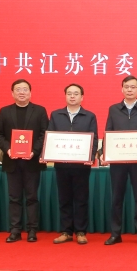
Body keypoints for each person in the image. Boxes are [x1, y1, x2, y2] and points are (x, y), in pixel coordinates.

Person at [0, 79, 49, 243]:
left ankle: (32, 230)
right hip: (12, 161)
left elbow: (45, 133)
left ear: (30, 93)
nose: (21, 92)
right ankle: (15, 230)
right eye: (18, 89)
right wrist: (8, 149)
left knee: (32, 197)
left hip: (32, 161)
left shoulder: (40, 111)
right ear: (12, 93)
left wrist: (34, 151)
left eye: (25, 89)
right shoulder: (5, 111)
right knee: (14, 198)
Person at [103, 75, 137, 246]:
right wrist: (104, 153)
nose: (129, 90)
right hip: (118, 162)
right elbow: (108, 133)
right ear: (122, 89)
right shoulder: (113, 109)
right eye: (126, 87)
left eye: (133, 87)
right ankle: (115, 233)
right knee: (116, 199)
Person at [47, 84, 98, 245]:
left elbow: (94, 139)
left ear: (82, 97)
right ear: (65, 96)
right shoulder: (56, 115)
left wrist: (90, 157)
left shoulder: (89, 116)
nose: (72, 96)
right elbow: (50, 137)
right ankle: (66, 231)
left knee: (81, 199)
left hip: (81, 165)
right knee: (64, 199)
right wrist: (48, 154)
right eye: (69, 93)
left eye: (76, 94)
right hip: (61, 165)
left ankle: (81, 232)